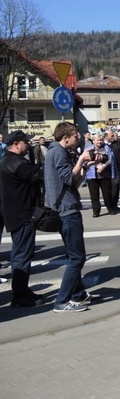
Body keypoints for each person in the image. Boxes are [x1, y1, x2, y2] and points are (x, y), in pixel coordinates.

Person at [44, 122, 96, 312]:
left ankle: (78, 294)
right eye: (76, 135)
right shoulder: (58, 152)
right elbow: (67, 179)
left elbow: (72, 183)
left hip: (66, 209)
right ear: (66, 137)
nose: (78, 138)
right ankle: (61, 301)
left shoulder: (57, 152)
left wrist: (86, 166)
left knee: (73, 255)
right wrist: (81, 158)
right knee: (77, 258)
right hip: (67, 211)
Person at [0, 130, 44, 307]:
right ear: (16, 144)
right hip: (22, 215)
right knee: (22, 256)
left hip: (16, 214)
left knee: (23, 254)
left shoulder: (7, 161)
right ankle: (19, 296)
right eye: (26, 142)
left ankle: (23, 291)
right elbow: (38, 175)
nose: (29, 144)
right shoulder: (17, 163)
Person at [84, 133, 118, 217]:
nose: (99, 142)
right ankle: (96, 211)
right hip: (92, 175)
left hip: (105, 174)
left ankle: (110, 209)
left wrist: (103, 166)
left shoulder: (107, 148)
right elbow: (85, 161)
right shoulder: (88, 149)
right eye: (97, 140)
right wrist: (96, 166)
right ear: (93, 140)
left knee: (107, 193)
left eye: (101, 140)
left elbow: (111, 159)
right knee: (94, 195)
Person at [105, 129, 120, 210]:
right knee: (108, 190)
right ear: (106, 136)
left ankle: (114, 204)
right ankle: (109, 205)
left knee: (116, 188)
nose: (113, 137)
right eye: (111, 135)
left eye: (113, 135)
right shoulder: (103, 145)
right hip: (107, 170)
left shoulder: (117, 144)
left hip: (116, 170)